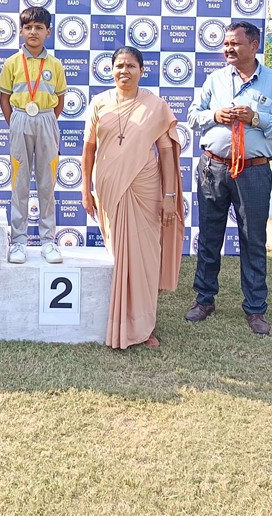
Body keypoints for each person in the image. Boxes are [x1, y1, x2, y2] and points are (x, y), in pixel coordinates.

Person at [185, 21, 272, 336]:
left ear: (254, 45)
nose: (228, 49)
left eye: (234, 43)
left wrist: (256, 118)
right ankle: (204, 299)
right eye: (225, 44)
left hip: (254, 171)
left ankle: (255, 308)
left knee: (253, 238)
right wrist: (215, 115)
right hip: (214, 167)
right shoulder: (215, 79)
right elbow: (193, 116)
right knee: (209, 236)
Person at [81, 46, 183, 350]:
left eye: (131, 66)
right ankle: (119, 322)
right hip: (110, 188)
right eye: (119, 66)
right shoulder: (99, 103)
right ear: (111, 70)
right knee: (118, 254)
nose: (124, 71)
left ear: (142, 70)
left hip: (146, 189)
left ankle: (143, 327)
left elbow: (166, 152)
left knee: (145, 258)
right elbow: (89, 149)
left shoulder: (155, 106)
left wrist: (169, 196)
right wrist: (85, 189)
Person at [0, 6, 67, 264]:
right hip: (19, 119)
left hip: (46, 119)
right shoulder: (12, 63)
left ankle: (48, 241)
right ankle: (18, 241)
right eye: (28, 27)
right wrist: (16, 122)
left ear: (48, 31)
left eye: (39, 27)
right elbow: (4, 99)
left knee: (47, 183)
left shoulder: (55, 64)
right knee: (20, 183)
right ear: (20, 31)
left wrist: (46, 120)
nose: (33, 32)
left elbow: (60, 100)